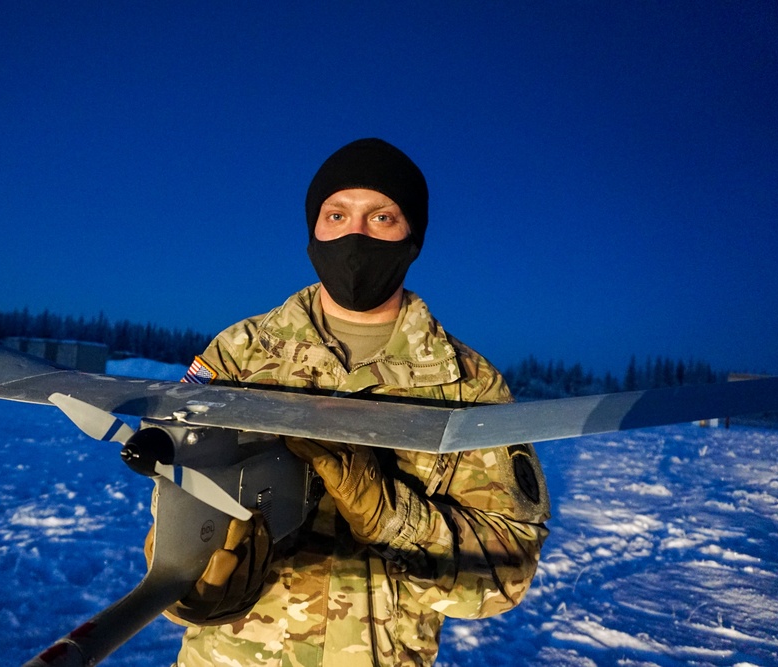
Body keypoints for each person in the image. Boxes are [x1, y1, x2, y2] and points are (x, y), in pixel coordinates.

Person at [155, 138, 551, 666]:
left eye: (382, 217)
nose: (355, 236)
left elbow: (507, 571)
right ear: (313, 230)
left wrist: (391, 516)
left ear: (413, 237)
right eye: (336, 214)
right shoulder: (239, 355)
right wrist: (194, 590)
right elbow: (179, 501)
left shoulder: (467, 386)